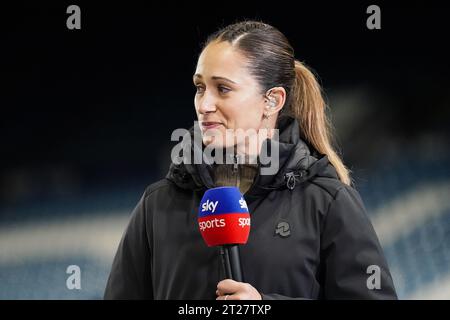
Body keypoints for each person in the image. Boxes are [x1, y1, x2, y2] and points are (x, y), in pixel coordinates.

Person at [104, 20, 397, 300]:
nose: (204, 105)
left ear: (272, 101)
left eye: (223, 88)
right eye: (200, 87)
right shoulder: (156, 205)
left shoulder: (327, 201)